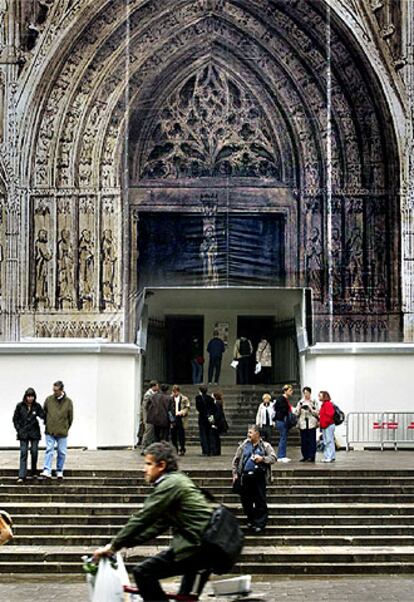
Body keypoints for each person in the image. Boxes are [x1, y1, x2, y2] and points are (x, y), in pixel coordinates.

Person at [92, 442, 215, 601]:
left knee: (143, 572)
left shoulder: (170, 485)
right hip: (203, 547)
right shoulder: (177, 480)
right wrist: (126, 543)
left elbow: (143, 518)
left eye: (148, 464)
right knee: (185, 598)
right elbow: (158, 526)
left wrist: (114, 546)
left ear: (161, 465)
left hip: (197, 548)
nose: (144, 469)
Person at [232, 425, 277, 533]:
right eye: (248, 432)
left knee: (260, 500)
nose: (249, 435)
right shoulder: (244, 445)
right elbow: (236, 460)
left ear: (257, 434)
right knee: (246, 500)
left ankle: (260, 523)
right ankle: (251, 519)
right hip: (246, 477)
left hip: (259, 477)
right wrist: (235, 474)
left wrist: (262, 459)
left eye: (251, 432)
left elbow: (274, 458)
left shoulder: (265, 446)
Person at [41, 381, 73, 480]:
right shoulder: (49, 400)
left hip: (62, 431)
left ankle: (59, 470)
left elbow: (70, 417)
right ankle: (47, 470)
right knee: (49, 450)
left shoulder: (68, 402)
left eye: (56, 390)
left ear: (61, 390)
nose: (54, 392)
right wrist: (47, 424)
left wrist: (65, 427)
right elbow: (44, 413)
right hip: (50, 430)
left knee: (62, 452)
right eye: (53, 390)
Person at [12, 388, 45, 483]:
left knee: (34, 452)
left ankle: (34, 471)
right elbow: (15, 419)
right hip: (23, 433)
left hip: (34, 433)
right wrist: (19, 429)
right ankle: (22, 475)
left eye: (32, 396)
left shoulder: (37, 406)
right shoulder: (20, 406)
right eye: (28, 396)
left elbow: (43, 415)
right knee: (23, 453)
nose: (30, 398)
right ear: (25, 397)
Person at [295, 386, 319, 462]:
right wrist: (300, 408)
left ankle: (312, 456)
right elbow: (296, 413)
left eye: (307, 393)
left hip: (311, 423)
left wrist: (310, 409)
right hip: (303, 423)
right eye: (305, 393)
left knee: (312, 440)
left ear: (310, 393)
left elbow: (317, 412)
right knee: (304, 441)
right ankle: (305, 456)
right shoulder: (300, 402)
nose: (306, 395)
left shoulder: (314, 401)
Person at [273, 384, 294, 463]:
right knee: (283, 437)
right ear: (285, 391)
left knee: (284, 437)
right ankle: (281, 455)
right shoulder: (282, 399)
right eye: (290, 390)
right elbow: (282, 410)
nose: (291, 392)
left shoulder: (284, 399)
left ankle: (282, 455)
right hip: (282, 420)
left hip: (281, 420)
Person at [195, 385, 215, 456]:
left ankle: (205, 450)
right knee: (209, 434)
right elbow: (213, 408)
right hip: (209, 417)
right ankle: (210, 450)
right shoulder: (210, 398)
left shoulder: (198, 398)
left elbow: (198, 408)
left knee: (203, 435)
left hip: (202, 418)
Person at [139, 381, 159, 454]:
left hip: (153, 417)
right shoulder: (148, 394)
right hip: (149, 418)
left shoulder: (154, 394)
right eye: (157, 386)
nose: (158, 387)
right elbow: (144, 407)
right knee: (147, 432)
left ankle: (149, 448)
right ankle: (144, 447)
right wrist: (145, 418)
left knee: (151, 433)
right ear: (153, 386)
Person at [170, 385, 190, 456]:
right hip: (173, 418)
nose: (174, 394)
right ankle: (175, 449)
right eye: (173, 392)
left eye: (175, 392)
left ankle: (182, 448)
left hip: (181, 418)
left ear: (178, 391)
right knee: (173, 435)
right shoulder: (170, 398)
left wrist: (182, 412)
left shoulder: (184, 398)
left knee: (181, 434)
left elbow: (187, 408)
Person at [319, 390, 336, 463]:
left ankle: (330, 456)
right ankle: (328, 456)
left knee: (329, 441)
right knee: (326, 441)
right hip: (325, 425)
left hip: (328, 425)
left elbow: (330, 415)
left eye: (320, 395)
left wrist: (324, 423)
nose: (319, 397)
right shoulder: (324, 404)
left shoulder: (327, 404)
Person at [210, 390, 228, 456]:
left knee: (214, 437)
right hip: (219, 422)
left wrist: (214, 423)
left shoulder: (217, 404)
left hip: (217, 423)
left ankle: (215, 450)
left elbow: (217, 415)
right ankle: (217, 451)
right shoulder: (219, 403)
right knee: (216, 437)